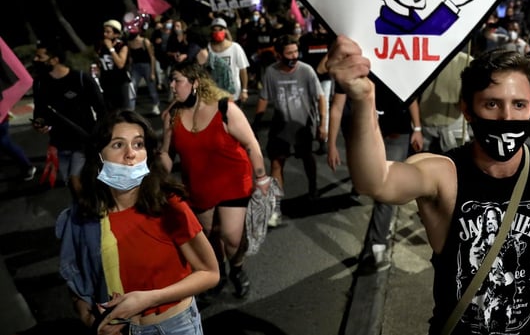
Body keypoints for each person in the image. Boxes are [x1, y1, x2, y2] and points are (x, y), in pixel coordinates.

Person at [328, 35, 530, 334]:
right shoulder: (443, 173)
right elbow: (375, 181)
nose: (507, 117)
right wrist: (363, 98)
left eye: (519, 104)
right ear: (467, 111)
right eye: (492, 104)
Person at [56, 109, 219, 334]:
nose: (130, 154)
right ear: (99, 156)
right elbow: (76, 279)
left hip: (175, 327)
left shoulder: (168, 206)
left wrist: (149, 299)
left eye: (138, 144)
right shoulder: (84, 216)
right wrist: (89, 318)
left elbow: (210, 272)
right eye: (117, 145)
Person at [161, 61, 269, 300]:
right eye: (171, 81)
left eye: (177, 80)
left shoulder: (224, 108)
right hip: (199, 184)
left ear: (195, 83)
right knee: (210, 236)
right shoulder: (172, 116)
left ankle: (237, 269)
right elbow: (167, 156)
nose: (172, 86)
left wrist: (261, 176)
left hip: (233, 180)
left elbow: (251, 143)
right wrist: (157, 175)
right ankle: (216, 273)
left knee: (231, 237)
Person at [328, 81, 423, 271]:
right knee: (369, 185)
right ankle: (378, 239)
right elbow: (337, 107)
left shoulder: (397, 63)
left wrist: (417, 129)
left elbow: (410, 96)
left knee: (386, 190)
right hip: (367, 134)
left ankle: (378, 245)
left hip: (397, 134)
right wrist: (331, 145)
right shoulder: (355, 69)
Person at [253, 34, 327, 226]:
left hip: (303, 125)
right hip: (280, 126)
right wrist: (256, 122)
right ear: (279, 55)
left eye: (295, 51)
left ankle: (313, 187)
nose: (294, 55)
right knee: (276, 163)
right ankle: (275, 208)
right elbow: (264, 98)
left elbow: (320, 97)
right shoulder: (271, 72)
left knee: (306, 157)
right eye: (289, 53)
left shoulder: (307, 71)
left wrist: (322, 124)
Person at [32, 40, 106, 198]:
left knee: (76, 180)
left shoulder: (80, 79)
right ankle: (88, 210)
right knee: (72, 186)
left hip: (83, 142)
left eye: (40, 57)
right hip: (59, 144)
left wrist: (98, 135)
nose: (35, 60)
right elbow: (39, 112)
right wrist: (39, 123)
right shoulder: (39, 83)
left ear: (54, 60)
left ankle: (92, 214)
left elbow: (102, 109)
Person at [418, 50, 473, 153]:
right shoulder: (422, 59)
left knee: (457, 165)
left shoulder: (467, 61)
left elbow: (474, 97)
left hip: (454, 126)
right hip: (425, 126)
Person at [298, 20, 336, 155]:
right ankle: (309, 135)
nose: (318, 31)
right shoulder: (305, 39)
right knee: (309, 107)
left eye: (320, 28)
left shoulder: (330, 39)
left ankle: (323, 140)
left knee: (324, 106)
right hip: (308, 78)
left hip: (324, 79)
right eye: (316, 28)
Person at [197, 17, 250, 104]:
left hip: (232, 94)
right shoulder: (207, 49)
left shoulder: (235, 48)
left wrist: (244, 90)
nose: (218, 32)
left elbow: (243, 70)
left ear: (225, 31)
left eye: (220, 29)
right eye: (215, 30)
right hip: (213, 94)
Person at [125, 22, 161, 115]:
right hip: (135, 67)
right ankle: (131, 109)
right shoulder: (129, 42)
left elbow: (152, 57)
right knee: (132, 87)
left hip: (146, 66)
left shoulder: (145, 41)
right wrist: (129, 68)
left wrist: (152, 72)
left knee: (151, 88)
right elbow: (130, 57)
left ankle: (156, 105)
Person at [97, 19, 133, 111]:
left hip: (120, 83)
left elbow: (120, 64)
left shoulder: (122, 46)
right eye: (104, 31)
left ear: (116, 34)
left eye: (108, 32)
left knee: (124, 111)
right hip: (107, 83)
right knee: (110, 111)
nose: (105, 34)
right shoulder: (101, 46)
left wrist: (111, 49)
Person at [1, 114, 37, 180]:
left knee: (6, 144)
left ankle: (27, 167)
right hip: (3, 119)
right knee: (6, 144)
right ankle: (27, 167)